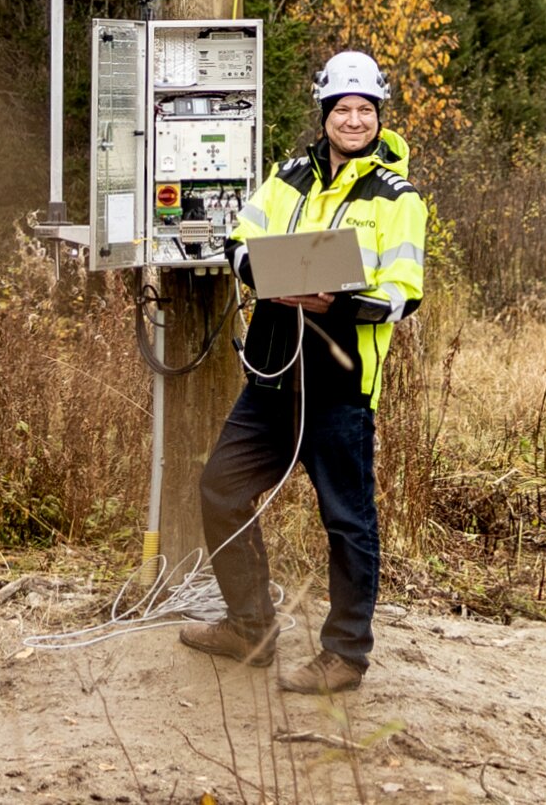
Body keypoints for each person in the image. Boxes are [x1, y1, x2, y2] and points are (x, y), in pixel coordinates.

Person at [178, 48, 429, 693]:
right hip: (271, 372)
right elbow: (238, 241)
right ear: (324, 113)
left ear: (378, 115)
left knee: (347, 521)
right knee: (221, 487)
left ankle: (345, 656)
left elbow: (404, 293)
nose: (352, 119)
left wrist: (335, 298)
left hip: (340, 383)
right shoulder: (288, 176)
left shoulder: (397, 198)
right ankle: (251, 628)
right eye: (341, 108)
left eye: (364, 109)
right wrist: (269, 277)